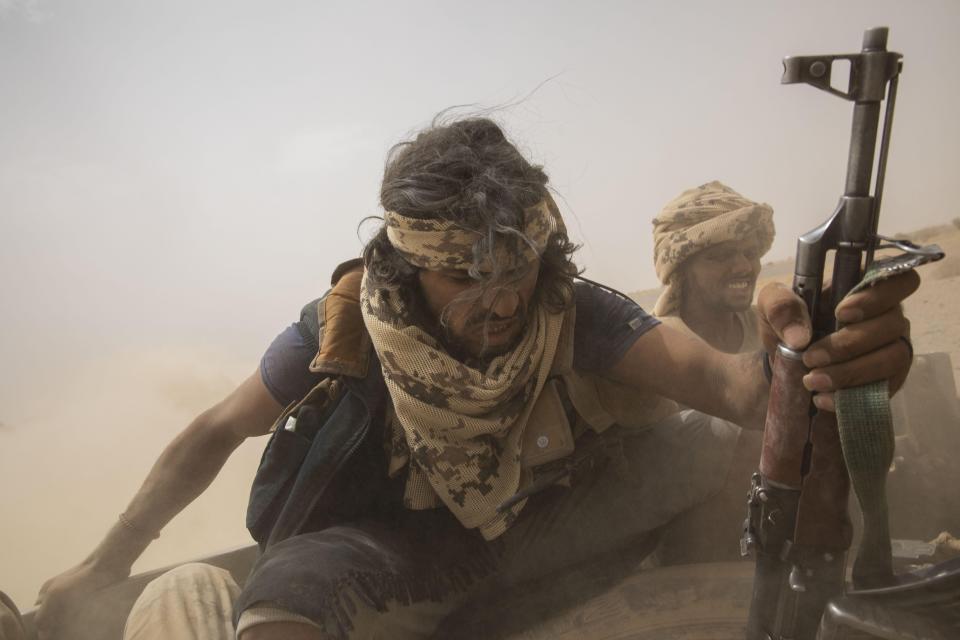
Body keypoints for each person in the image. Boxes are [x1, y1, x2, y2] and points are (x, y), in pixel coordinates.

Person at [33, 118, 916, 640]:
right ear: (413, 270)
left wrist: (813, 350)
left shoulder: (574, 311)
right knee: (282, 598)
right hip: (392, 545)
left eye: (516, 274)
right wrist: (103, 563)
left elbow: (730, 390)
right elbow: (214, 433)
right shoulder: (343, 329)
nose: (498, 305)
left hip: (546, 529)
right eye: (465, 279)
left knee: (712, 447)